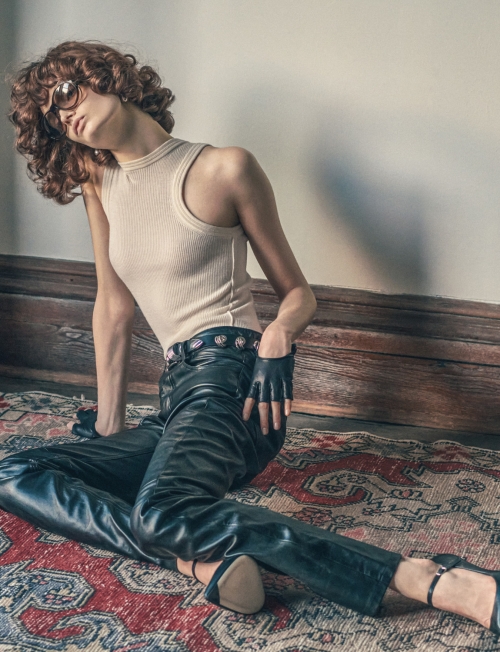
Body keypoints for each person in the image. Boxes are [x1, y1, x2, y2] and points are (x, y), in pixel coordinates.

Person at [2, 39, 499, 631]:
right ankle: (196, 560)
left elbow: (298, 294)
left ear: (105, 75)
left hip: (235, 383)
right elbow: (113, 305)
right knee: (15, 473)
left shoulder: (224, 168)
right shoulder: (98, 182)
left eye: (65, 93)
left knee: (159, 510)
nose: (65, 116)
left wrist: (279, 333)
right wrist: (110, 426)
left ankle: (428, 579)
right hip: (176, 400)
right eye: (53, 118)